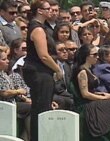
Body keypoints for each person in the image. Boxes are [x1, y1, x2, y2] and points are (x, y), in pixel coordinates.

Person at [21, 1, 63, 141]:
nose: (51, 11)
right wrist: (58, 69)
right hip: (39, 72)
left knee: (43, 106)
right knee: (41, 109)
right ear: (39, 10)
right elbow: (44, 55)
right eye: (48, 9)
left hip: (42, 72)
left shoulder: (41, 27)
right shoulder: (37, 29)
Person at [69, 44, 110, 141]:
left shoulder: (90, 69)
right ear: (87, 56)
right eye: (94, 54)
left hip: (93, 101)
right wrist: (104, 98)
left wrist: (104, 94)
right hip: (86, 106)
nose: (97, 57)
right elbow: (85, 94)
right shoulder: (82, 72)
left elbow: (91, 91)